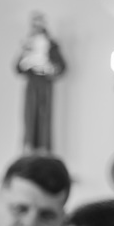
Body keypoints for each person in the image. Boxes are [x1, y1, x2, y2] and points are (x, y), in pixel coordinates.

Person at [15, 12, 67, 155]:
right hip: (32, 85)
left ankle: (44, 151)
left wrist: (50, 68)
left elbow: (62, 67)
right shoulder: (28, 44)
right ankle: (28, 149)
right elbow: (17, 67)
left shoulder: (51, 45)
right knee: (29, 118)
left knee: (44, 118)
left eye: (39, 23)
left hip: (45, 85)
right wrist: (26, 62)